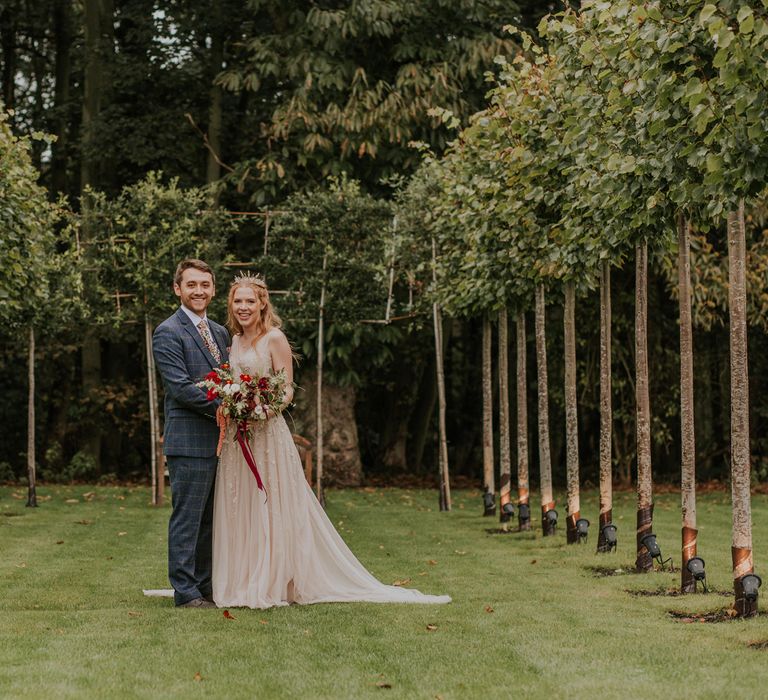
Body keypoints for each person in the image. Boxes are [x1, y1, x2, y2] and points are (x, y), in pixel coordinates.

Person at [212, 272, 450, 608]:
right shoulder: (233, 342)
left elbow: (287, 389)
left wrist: (264, 410)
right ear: (231, 305)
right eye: (238, 301)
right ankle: (242, 579)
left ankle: (275, 580)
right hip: (240, 438)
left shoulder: (274, 338)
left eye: (250, 300)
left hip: (268, 435)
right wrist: (235, 406)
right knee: (243, 505)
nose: (243, 307)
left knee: (273, 504)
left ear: (262, 303)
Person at [152, 259, 230, 608]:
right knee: (188, 518)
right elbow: (180, 387)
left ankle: (205, 586)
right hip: (189, 440)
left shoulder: (220, 332)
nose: (199, 291)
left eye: (205, 285)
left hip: (221, 441)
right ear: (178, 289)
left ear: (213, 289)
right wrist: (223, 408)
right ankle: (185, 592)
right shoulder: (168, 331)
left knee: (211, 520)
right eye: (191, 285)